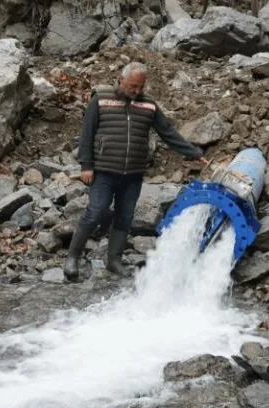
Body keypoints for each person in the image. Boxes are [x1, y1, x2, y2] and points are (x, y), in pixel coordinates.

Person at [63, 61, 208, 280]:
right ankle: (72, 258)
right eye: (132, 86)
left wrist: (194, 152)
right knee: (96, 211)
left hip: (133, 174)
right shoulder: (100, 100)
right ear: (120, 80)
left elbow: (167, 132)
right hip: (103, 170)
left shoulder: (148, 105)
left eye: (140, 87)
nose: (136, 91)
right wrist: (86, 166)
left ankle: (114, 261)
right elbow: (87, 134)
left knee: (125, 216)